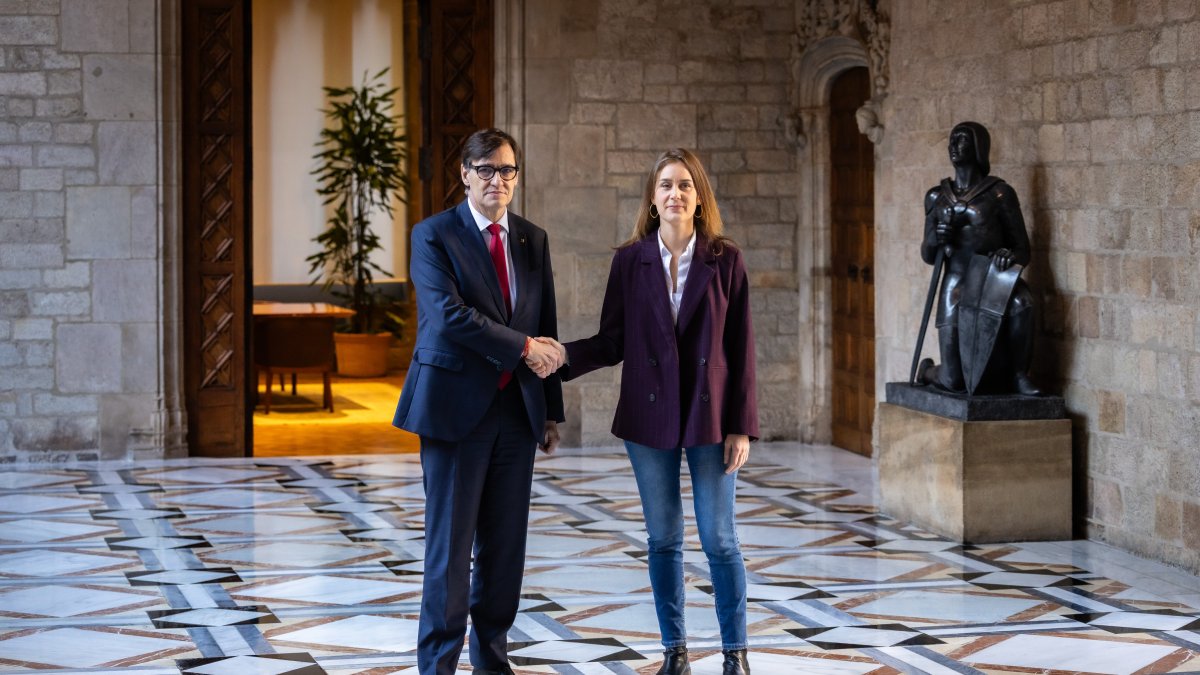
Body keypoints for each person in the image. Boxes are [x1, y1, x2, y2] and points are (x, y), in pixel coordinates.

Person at [539, 148, 759, 675]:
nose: (675, 193)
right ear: (652, 197)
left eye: (685, 184)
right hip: (649, 414)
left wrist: (741, 426)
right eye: (665, 185)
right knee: (663, 538)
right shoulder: (629, 261)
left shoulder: (725, 259)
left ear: (699, 196)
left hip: (710, 419)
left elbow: (742, 346)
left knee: (720, 539)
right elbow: (613, 338)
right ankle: (675, 653)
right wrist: (566, 355)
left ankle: (736, 655)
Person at [393, 128, 565, 675]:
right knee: (450, 548)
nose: (498, 180)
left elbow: (546, 325)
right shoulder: (433, 234)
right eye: (486, 169)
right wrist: (523, 348)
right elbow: (449, 316)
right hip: (454, 410)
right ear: (464, 173)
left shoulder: (531, 239)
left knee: (505, 547)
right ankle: (438, 664)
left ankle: (492, 658)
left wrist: (551, 410)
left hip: (517, 412)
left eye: (507, 170)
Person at [917, 121, 1041, 396]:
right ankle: (928, 370)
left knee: (1024, 300)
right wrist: (938, 238)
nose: (953, 146)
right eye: (952, 140)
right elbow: (927, 255)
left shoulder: (999, 194)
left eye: (961, 140)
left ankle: (1019, 374)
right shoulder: (937, 197)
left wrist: (1009, 255)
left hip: (991, 280)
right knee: (953, 381)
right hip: (956, 282)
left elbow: (1023, 250)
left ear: (978, 147)